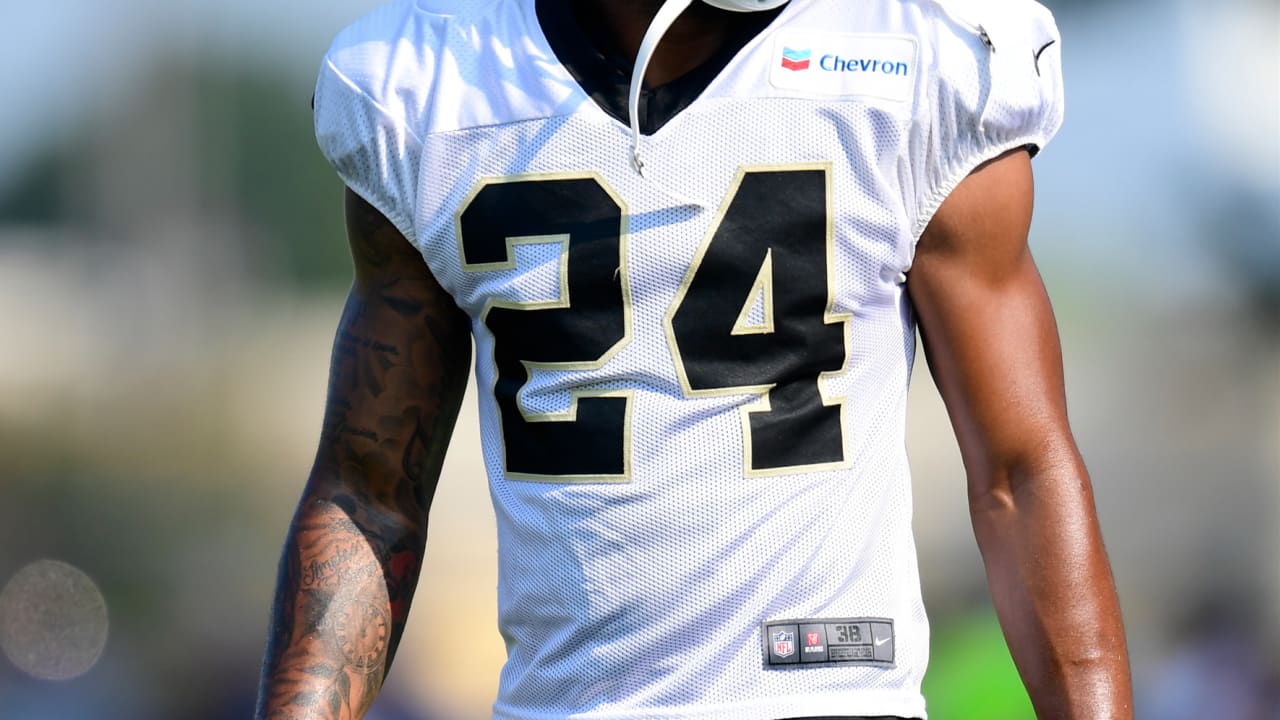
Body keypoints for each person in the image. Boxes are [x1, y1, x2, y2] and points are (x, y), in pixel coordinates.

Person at [256, 0, 1134, 718]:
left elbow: (1020, 467)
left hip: (828, 694)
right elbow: (371, 491)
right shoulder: (430, 90)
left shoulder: (915, 53)